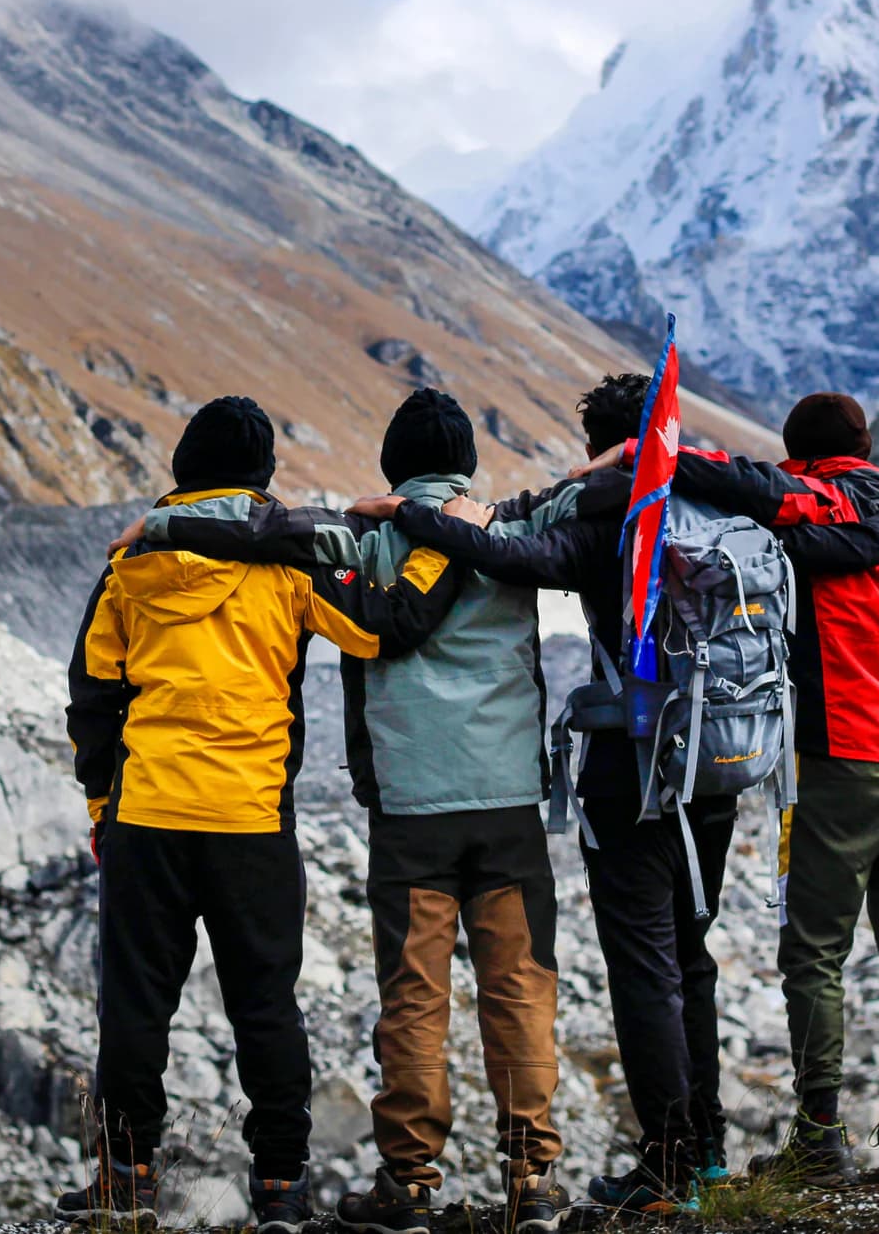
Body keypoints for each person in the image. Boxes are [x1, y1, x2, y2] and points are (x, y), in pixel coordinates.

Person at [382, 376, 879, 1209]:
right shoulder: (732, 508)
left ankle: (669, 1162)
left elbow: (513, 554)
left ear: (602, 446)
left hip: (631, 770)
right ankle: (706, 1149)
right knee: (691, 953)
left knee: (643, 962)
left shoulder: (618, 517)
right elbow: (856, 538)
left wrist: (411, 516)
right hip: (716, 761)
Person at [118, 390, 574, 1234]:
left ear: (392, 466)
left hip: (409, 806)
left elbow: (266, 535)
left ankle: (408, 1180)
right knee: (519, 986)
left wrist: (164, 528)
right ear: (466, 464)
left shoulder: (366, 539)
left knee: (413, 993)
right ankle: (533, 1176)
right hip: (509, 799)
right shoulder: (509, 535)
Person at [60, 396, 468, 1232]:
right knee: (267, 1006)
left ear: (181, 467)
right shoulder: (289, 562)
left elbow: (94, 699)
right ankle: (281, 1186)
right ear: (262, 478)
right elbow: (385, 627)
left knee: (136, 1004)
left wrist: (105, 807)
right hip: (249, 821)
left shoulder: (131, 562)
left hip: (150, 816)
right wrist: (438, 547)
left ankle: (124, 1179)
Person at [651, 390, 879, 1186]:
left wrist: (642, 453)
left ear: (799, 455)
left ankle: (818, 1132)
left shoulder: (812, 507)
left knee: (814, 955)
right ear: (867, 448)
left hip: (835, 767)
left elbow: (729, 478)